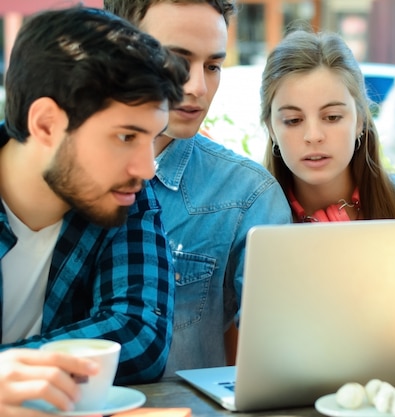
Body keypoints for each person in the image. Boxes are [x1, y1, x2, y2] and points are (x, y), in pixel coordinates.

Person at [0, 4, 187, 399]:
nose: (148, 167)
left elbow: (139, 335)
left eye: (152, 138)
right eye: (125, 137)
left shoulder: (123, 190)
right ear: (47, 124)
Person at [103, 0, 292, 375]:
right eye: (176, 59)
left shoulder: (247, 196)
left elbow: (283, 355)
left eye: (213, 66)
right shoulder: (52, 174)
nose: (197, 87)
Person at [261, 29, 395, 222]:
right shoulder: (246, 222)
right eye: (293, 120)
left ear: (360, 120)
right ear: (271, 129)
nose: (313, 135)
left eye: (332, 117)